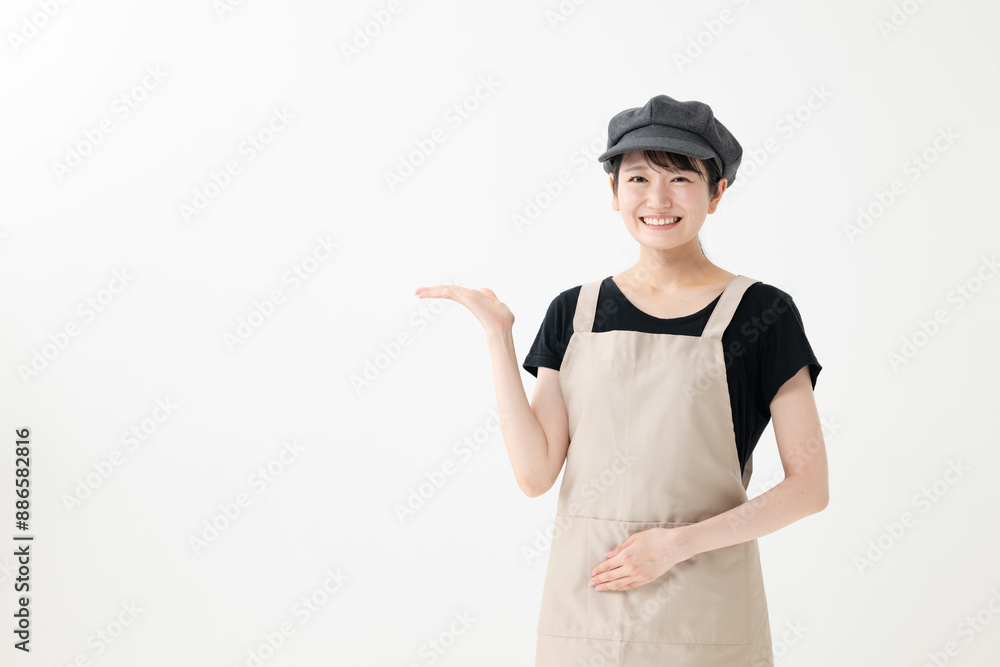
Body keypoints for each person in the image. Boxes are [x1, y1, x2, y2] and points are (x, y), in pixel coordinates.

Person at [414, 94, 828, 667]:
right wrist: (499, 339)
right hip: (587, 607)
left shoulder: (762, 313)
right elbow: (535, 474)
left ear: (717, 193)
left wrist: (675, 545)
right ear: (613, 192)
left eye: (681, 178)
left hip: (705, 612)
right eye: (637, 178)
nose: (657, 199)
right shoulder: (575, 312)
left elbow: (810, 488)